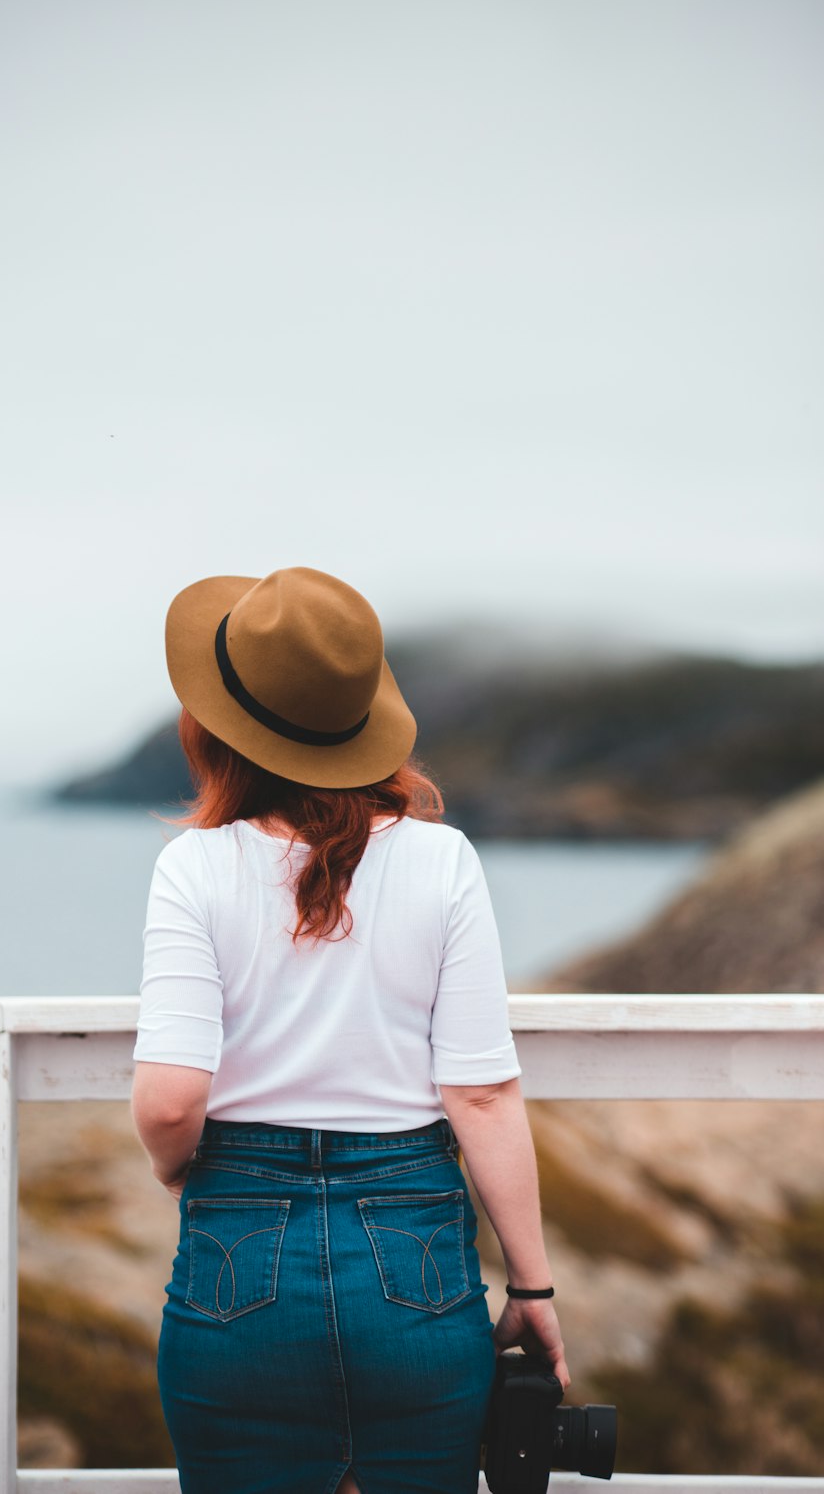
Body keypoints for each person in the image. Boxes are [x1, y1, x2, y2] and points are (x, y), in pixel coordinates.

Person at [131, 566, 569, 1494]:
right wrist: (531, 1289)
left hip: (237, 1255)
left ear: (220, 726)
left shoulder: (193, 869)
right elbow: (482, 1092)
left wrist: (185, 1170)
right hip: (411, 1255)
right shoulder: (444, 861)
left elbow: (172, 1100)